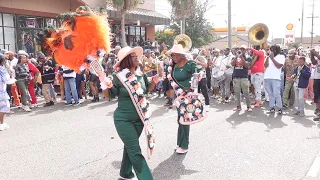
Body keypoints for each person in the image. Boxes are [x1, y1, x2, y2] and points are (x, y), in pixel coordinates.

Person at [107, 46, 156, 180]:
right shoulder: (118, 77)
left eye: (136, 56)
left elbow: (145, 91)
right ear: (127, 60)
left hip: (140, 119)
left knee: (130, 146)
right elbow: (110, 95)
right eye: (133, 56)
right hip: (123, 119)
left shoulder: (141, 75)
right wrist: (106, 85)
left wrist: (155, 81)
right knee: (135, 150)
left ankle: (125, 173)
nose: (137, 58)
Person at [169, 44, 201, 154]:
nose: (173, 57)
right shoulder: (174, 65)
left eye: (175, 55)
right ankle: (180, 142)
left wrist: (193, 83)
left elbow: (198, 73)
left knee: (185, 119)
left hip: (187, 95)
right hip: (178, 95)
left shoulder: (190, 64)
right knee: (180, 119)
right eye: (172, 55)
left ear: (182, 55)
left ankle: (184, 145)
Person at [264, 45, 285, 114]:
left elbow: (279, 66)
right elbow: (265, 65)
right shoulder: (269, 57)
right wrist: (267, 57)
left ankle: (279, 108)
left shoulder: (281, 56)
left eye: (273, 50)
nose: (272, 51)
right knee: (270, 94)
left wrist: (272, 59)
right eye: (271, 49)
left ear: (278, 50)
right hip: (267, 77)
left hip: (276, 78)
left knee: (276, 94)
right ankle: (271, 108)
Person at [231, 45, 252, 111]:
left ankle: (248, 107)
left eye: (243, 49)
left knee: (246, 93)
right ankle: (238, 106)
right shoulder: (235, 57)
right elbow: (232, 64)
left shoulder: (248, 58)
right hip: (236, 77)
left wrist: (242, 57)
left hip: (244, 77)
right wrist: (237, 56)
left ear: (245, 50)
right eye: (240, 49)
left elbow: (247, 65)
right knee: (237, 93)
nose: (241, 50)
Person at [0, 54, 11, 131]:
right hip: (1, 92)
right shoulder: (2, 69)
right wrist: (13, 80)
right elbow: (6, 79)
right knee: (3, 108)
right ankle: (1, 124)